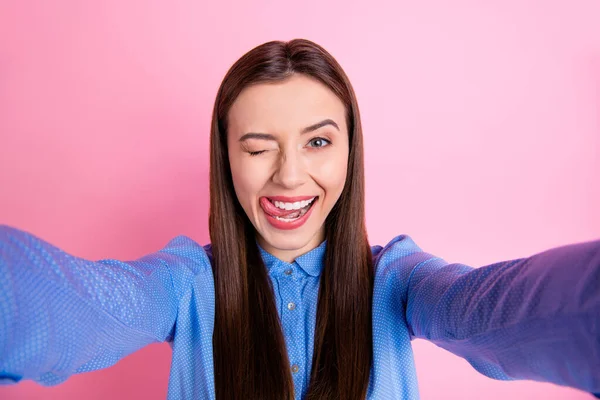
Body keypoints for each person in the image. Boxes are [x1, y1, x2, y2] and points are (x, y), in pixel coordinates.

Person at [0, 39, 598, 400]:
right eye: (259, 147)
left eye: (317, 143)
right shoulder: (186, 284)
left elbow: (495, 308)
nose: (289, 176)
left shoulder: (397, 281)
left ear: (350, 152)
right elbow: (76, 304)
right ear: (226, 158)